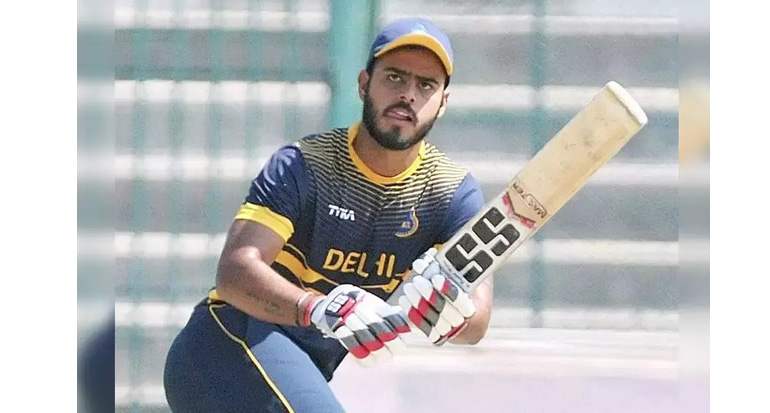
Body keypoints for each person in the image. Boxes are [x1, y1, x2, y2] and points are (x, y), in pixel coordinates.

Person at [163, 16, 494, 413]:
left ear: (443, 103)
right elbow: (234, 272)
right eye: (394, 77)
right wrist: (316, 307)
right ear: (363, 84)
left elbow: (477, 319)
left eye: (426, 85)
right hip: (224, 351)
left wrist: (452, 316)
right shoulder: (305, 164)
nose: (408, 94)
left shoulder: (450, 191)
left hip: (303, 373)